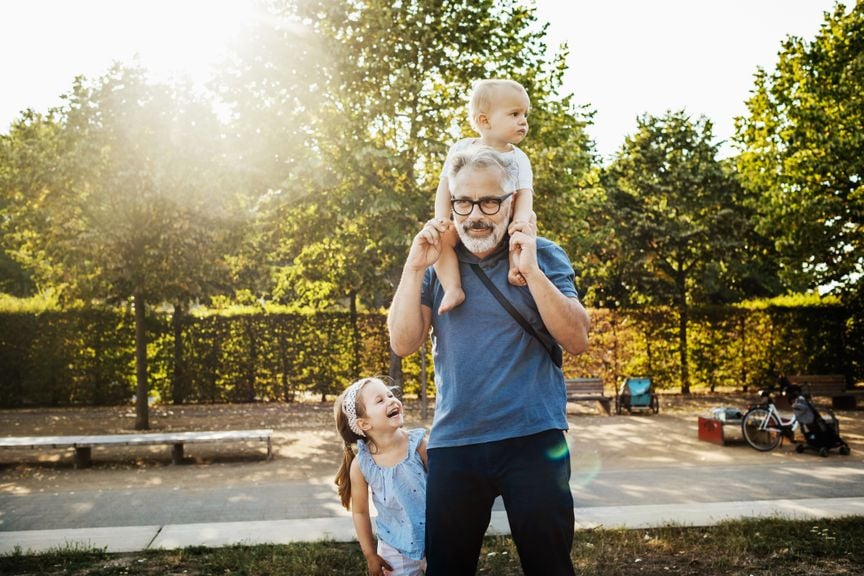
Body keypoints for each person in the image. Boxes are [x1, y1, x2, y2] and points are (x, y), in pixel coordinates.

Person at [387, 145, 590, 575]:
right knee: (447, 567)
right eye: (463, 202)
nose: (475, 214)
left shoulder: (545, 254)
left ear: (512, 201)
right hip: (455, 444)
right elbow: (404, 342)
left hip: (533, 439)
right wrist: (411, 266)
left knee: (549, 565)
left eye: (490, 201)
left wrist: (532, 271)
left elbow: (576, 339)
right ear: (451, 203)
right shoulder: (437, 265)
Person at [433, 78, 535, 315]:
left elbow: (524, 194)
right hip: (469, 219)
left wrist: (519, 221)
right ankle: (453, 287)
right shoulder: (461, 148)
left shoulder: (518, 158)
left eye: (525, 115)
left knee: (529, 220)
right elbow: (445, 186)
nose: (523, 121)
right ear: (484, 120)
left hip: (505, 221)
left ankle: (515, 267)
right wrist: (441, 217)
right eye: (515, 114)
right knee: (441, 237)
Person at [334, 377, 429, 576]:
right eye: (380, 400)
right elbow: (360, 512)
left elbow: (447, 490)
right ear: (364, 424)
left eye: (390, 395)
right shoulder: (362, 465)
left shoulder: (419, 445)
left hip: (437, 537)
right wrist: (370, 554)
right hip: (394, 549)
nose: (391, 400)